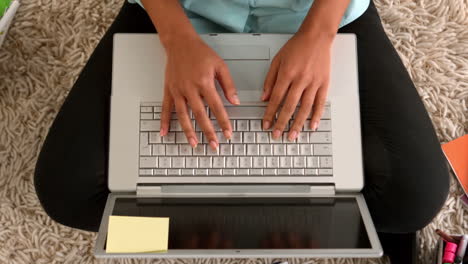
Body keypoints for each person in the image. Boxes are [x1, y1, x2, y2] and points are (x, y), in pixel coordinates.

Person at [34, 0, 450, 263]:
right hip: (180, 10)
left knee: (415, 201)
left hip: (317, 11)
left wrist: (319, 33)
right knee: (65, 194)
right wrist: (177, 39)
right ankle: (183, 233)